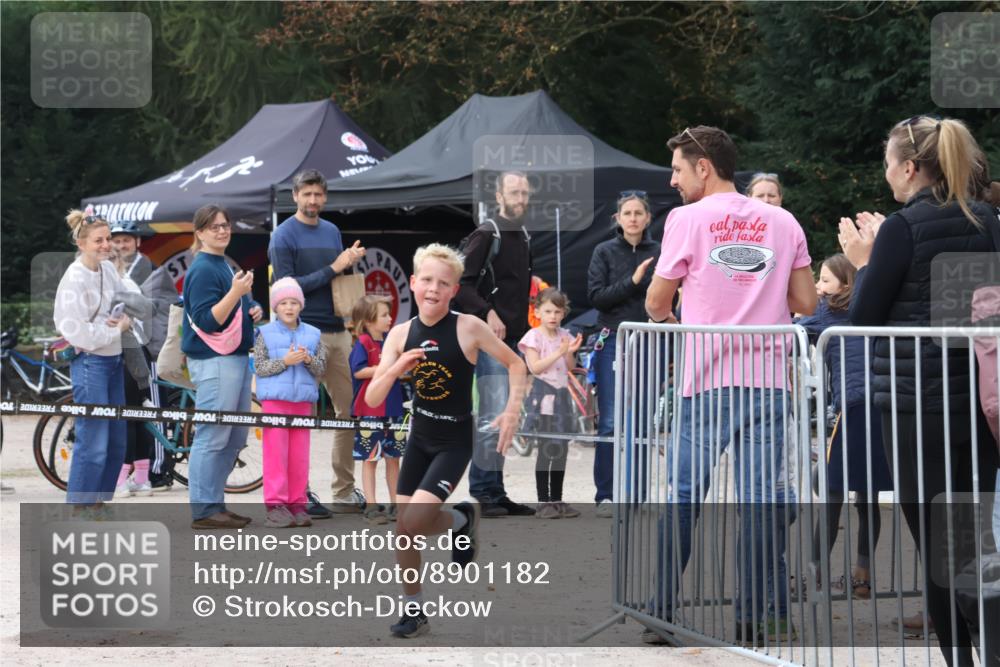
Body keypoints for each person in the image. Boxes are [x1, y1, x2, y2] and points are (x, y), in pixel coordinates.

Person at [644, 125, 817, 643]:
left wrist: (685, 318)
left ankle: (663, 609)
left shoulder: (686, 219)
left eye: (677, 169)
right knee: (761, 503)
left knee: (683, 498)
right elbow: (807, 303)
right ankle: (753, 618)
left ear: (703, 167)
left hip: (705, 381)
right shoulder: (783, 221)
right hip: (766, 381)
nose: (673, 180)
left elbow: (655, 302)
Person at [840, 115, 999, 666]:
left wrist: (863, 263)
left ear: (908, 167)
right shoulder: (989, 219)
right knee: (973, 541)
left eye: (888, 164)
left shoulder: (902, 229)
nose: (886, 176)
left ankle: (960, 658)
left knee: (937, 544)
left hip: (914, 409)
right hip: (977, 406)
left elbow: (863, 318)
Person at [364, 244, 526, 638]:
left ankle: (459, 517)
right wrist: (398, 366)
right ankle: (415, 608)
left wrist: (511, 410)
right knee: (404, 530)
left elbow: (516, 364)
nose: (434, 289)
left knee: (413, 523)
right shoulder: (400, 334)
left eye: (444, 283)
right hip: (419, 438)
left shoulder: (469, 326)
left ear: (454, 290)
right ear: (413, 283)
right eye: (428, 281)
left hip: (454, 441)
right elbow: (371, 398)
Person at [269, 168, 367, 519]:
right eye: (306, 194)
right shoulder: (282, 236)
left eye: (318, 195)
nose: (313, 200)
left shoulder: (332, 230)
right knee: (302, 416)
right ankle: (301, 493)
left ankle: (342, 491)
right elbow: (285, 291)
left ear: (325, 197)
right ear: (295, 196)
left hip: (339, 330)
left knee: (349, 412)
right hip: (303, 333)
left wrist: (348, 264)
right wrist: (333, 267)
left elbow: (337, 277)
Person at [797, 254, 892, 599]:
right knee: (867, 497)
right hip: (883, 404)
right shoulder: (874, 306)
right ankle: (862, 576)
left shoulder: (826, 311)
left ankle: (814, 573)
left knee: (832, 493)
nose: (819, 287)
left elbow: (792, 332)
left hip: (852, 407)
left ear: (845, 283)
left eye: (824, 280)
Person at [454, 170, 535, 517]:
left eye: (524, 193)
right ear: (499, 197)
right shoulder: (487, 233)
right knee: (493, 412)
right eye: (514, 193)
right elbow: (461, 284)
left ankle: (495, 489)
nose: (520, 199)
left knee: (506, 415)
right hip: (491, 341)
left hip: (515, 340)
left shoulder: (524, 236)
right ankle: (483, 491)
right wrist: (487, 312)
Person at [182, 204, 263, 530]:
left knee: (232, 438)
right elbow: (207, 320)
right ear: (199, 232)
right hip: (215, 361)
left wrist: (252, 306)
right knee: (213, 436)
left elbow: (234, 307)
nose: (222, 230)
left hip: (235, 359)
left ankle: (215, 505)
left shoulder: (222, 264)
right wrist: (236, 293)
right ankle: (203, 510)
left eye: (225, 225)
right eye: (214, 226)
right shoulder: (202, 268)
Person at [586, 190, 660, 517]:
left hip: (650, 340)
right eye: (627, 213)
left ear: (647, 218)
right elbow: (597, 298)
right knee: (611, 421)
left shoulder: (660, 252)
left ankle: (637, 493)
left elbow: (666, 298)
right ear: (618, 218)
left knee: (642, 421)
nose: (632, 218)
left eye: (638, 213)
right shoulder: (603, 251)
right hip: (614, 338)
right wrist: (633, 280)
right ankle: (606, 494)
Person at [53, 209, 133, 506]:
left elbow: (124, 300)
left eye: (108, 238)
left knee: (115, 441)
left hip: (113, 359)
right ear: (81, 243)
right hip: (89, 363)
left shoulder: (108, 269)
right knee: (94, 441)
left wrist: (125, 318)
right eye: (98, 240)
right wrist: (116, 331)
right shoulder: (73, 278)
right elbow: (75, 331)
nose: (106, 245)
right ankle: (79, 507)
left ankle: (98, 502)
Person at [108, 219, 178, 492]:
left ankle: (160, 468)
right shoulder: (113, 271)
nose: (121, 244)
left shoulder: (154, 272)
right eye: (117, 240)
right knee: (134, 414)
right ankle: (142, 474)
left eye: (127, 239)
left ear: (138, 242)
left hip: (147, 348)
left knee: (152, 411)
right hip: (123, 348)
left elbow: (164, 308)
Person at [254, 277, 326, 529]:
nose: (289, 307)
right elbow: (260, 367)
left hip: (303, 403)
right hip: (275, 402)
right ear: (275, 306)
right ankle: (275, 505)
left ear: (301, 306)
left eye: (294, 302)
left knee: (299, 457)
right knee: (275, 455)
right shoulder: (264, 332)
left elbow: (321, 367)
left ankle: (298, 503)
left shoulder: (314, 334)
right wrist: (285, 361)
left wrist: (307, 360)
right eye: (283, 302)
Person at [518, 287, 583, 519]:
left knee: (561, 451)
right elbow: (535, 367)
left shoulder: (564, 335)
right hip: (543, 401)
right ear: (537, 312)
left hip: (562, 400)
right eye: (548, 311)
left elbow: (569, 366)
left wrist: (569, 351)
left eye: (557, 311)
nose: (553, 316)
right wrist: (558, 352)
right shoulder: (533, 337)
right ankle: (543, 501)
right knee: (546, 451)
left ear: (563, 313)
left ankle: (557, 498)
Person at [350, 294, 406, 525]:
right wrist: (386, 369)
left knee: (394, 458)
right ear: (368, 320)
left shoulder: (391, 343)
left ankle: (396, 504)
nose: (389, 318)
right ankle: (372, 506)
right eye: (383, 315)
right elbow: (358, 371)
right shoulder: (363, 343)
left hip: (394, 409)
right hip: (370, 411)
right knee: (370, 459)